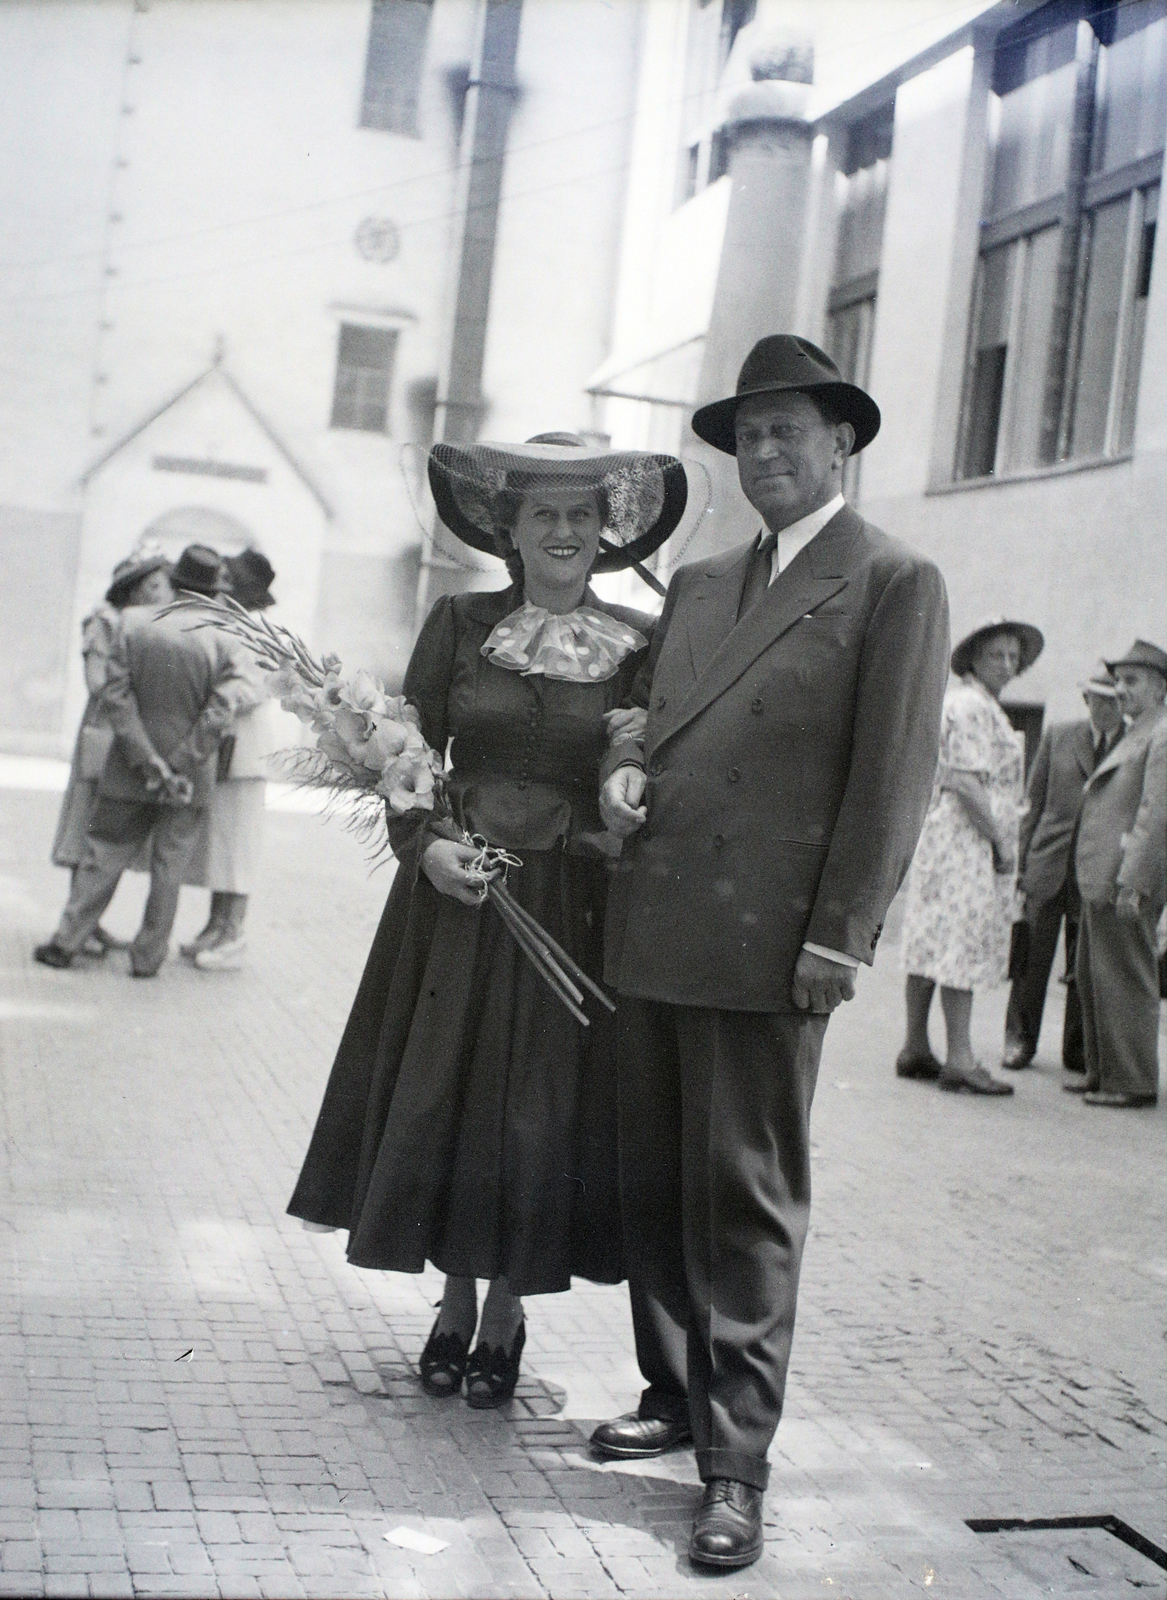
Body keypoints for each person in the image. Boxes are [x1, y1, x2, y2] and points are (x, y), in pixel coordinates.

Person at [592, 336, 949, 1571]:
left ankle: (735, 1466)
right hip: (657, 925)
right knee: (655, 1181)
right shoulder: (696, 582)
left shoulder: (892, 579)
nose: (764, 453)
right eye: (747, 435)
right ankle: (677, 1393)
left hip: (770, 943)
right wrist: (624, 771)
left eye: (788, 430)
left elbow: (894, 776)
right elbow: (639, 722)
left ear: (841, 439)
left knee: (744, 1199)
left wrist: (840, 940)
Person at [287, 433, 688, 1408]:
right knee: (453, 1092)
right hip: (459, 894)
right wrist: (426, 845)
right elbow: (409, 746)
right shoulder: (460, 623)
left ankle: (507, 1309)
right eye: (542, 513)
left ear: (606, 532)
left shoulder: (641, 639)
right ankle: (454, 1299)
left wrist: (625, 790)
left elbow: (626, 756)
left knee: (540, 1107)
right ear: (508, 528)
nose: (563, 531)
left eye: (581, 515)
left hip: (569, 903)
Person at [34, 545, 248, 978]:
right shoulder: (226, 638)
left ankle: (66, 942)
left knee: (105, 853)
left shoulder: (133, 624)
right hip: (190, 779)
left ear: (175, 582)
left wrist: (148, 760)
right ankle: (147, 958)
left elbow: (114, 696)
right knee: (169, 868)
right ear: (212, 590)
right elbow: (220, 713)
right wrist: (180, 764)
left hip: (129, 768)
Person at [899, 617, 1042, 1096]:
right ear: (974, 659)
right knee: (960, 940)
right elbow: (966, 780)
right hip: (967, 841)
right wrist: (1001, 843)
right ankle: (959, 1057)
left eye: (1013, 656)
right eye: (997, 654)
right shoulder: (972, 707)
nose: (1007, 664)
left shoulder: (967, 705)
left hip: (944, 837)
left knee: (931, 937)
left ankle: (916, 1044)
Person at [49, 543, 173, 956]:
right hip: (102, 733)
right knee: (87, 825)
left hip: (120, 733)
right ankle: (78, 925)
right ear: (136, 589)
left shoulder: (136, 624)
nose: (162, 592)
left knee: (101, 829)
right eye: (154, 585)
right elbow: (96, 680)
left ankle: (87, 923)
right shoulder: (105, 622)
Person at [1001, 666, 1124, 1073]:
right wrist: (1020, 868)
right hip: (1048, 865)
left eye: (1113, 700)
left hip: (1095, 872)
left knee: (1082, 967)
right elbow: (1032, 805)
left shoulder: (1131, 745)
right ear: (1086, 700)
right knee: (1030, 962)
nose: (1105, 708)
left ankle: (1076, 1050)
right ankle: (1020, 1041)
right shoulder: (1058, 734)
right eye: (1098, 699)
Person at [1068, 640, 1167, 1109]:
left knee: (1125, 976)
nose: (1120, 690)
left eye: (1133, 681)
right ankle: (1104, 1074)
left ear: (1161, 688)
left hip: (1124, 876)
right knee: (1095, 975)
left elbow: (1156, 815)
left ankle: (1132, 1081)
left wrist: (1135, 880)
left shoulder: (1161, 732)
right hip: (1103, 875)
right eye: (1119, 680)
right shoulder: (1139, 730)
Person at [181, 549, 280, 970]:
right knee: (220, 843)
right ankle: (216, 924)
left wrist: (209, 699)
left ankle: (234, 932)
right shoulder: (236, 626)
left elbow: (250, 690)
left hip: (245, 752)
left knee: (237, 845)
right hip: (228, 748)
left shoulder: (260, 631)